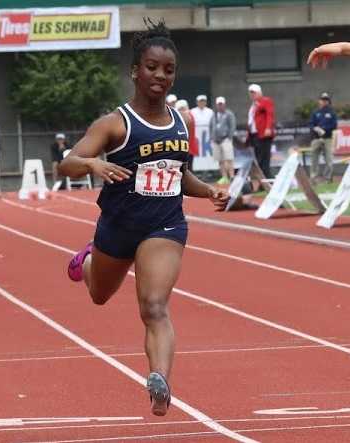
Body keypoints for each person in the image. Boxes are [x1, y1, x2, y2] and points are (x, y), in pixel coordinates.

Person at [58, 19, 229, 417]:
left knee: (154, 306)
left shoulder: (181, 122)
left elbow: (178, 174)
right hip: (117, 226)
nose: (160, 76)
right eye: (152, 67)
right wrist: (94, 165)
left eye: (168, 70)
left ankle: (160, 380)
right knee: (100, 295)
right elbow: (66, 164)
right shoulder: (114, 123)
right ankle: (86, 262)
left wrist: (208, 191)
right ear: (135, 70)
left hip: (164, 226)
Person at [246, 84, 275, 179]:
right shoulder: (253, 105)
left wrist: (268, 128)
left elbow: (269, 115)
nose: (252, 95)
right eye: (251, 93)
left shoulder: (265, 101)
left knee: (264, 159)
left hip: (263, 134)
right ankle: (262, 181)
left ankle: (267, 179)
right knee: (259, 159)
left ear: (259, 93)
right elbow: (251, 120)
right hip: (255, 135)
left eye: (254, 93)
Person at [309, 93, 337, 183]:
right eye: (322, 99)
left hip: (328, 138)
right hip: (316, 138)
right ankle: (313, 178)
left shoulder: (332, 112)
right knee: (314, 159)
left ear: (328, 101)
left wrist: (324, 129)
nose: (324, 101)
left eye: (326, 100)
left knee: (329, 159)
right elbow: (311, 124)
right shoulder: (315, 112)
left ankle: (327, 178)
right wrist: (315, 128)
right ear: (319, 101)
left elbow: (334, 125)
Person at [211, 96, 236, 185]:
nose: (220, 106)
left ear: (224, 104)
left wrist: (229, 137)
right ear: (216, 105)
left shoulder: (229, 114)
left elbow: (232, 126)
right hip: (216, 140)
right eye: (218, 104)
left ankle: (232, 176)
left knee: (228, 159)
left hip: (225, 139)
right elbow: (211, 126)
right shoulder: (214, 114)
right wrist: (212, 137)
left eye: (221, 104)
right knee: (220, 160)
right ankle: (224, 177)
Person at [174, 99, 199, 171]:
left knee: (187, 169)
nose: (181, 110)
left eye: (183, 108)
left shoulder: (187, 117)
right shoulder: (189, 116)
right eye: (180, 109)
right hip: (184, 147)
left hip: (186, 147)